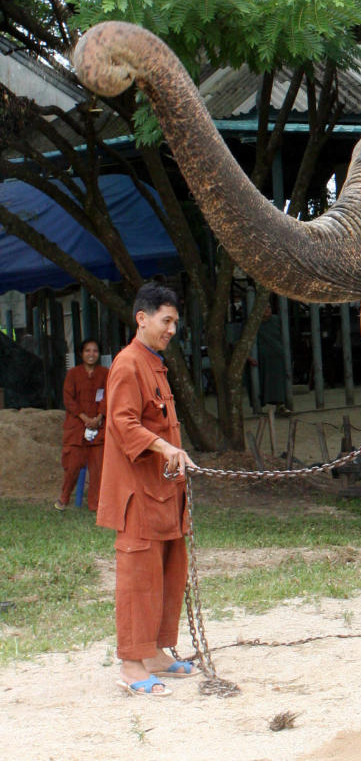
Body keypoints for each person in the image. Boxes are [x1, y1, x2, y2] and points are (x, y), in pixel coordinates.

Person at [98, 282, 198, 697]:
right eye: (166, 320)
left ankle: (155, 652)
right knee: (139, 578)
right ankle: (131, 664)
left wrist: (176, 453)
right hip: (138, 497)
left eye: (175, 322)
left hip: (165, 494)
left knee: (168, 574)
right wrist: (163, 446)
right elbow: (123, 423)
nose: (172, 329)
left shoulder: (154, 363)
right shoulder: (127, 365)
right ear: (142, 319)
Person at [57, 338, 108, 511]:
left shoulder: (105, 373)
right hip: (77, 427)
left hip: (99, 427)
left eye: (95, 351)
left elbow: (109, 396)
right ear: (81, 353)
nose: (91, 354)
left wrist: (99, 416)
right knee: (72, 465)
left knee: (98, 469)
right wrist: (85, 418)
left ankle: (96, 505)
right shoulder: (73, 374)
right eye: (87, 351)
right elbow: (68, 399)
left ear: (99, 354)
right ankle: (64, 499)